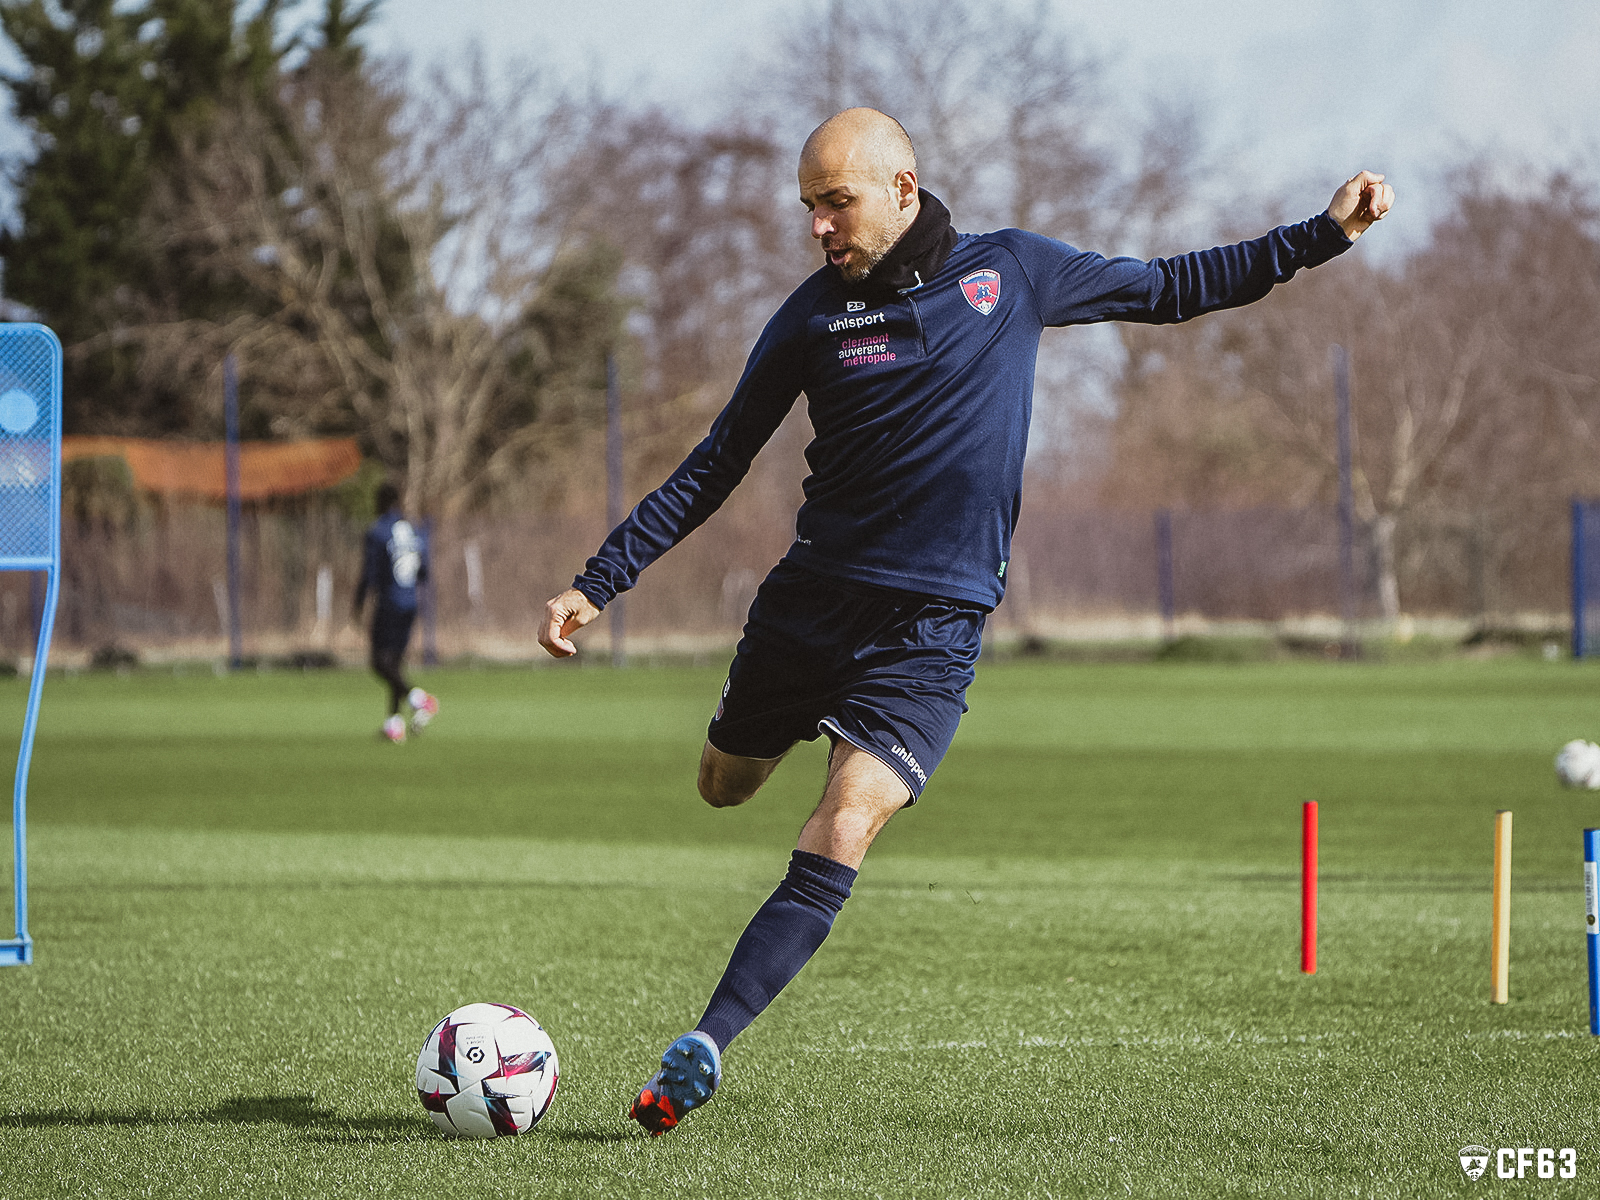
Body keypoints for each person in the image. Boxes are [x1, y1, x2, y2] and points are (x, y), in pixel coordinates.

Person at [538, 107, 1393, 1135]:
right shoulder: (811, 317)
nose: (818, 226)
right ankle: (763, 751)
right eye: (807, 207)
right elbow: (719, 459)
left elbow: (1171, 288)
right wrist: (602, 578)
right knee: (724, 787)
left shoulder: (1013, 273)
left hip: (932, 631)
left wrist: (1320, 236)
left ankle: (706, 1043)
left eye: (835, 202)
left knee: (844, 822)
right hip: (810, 607)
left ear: (903, 187)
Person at [354, 481, 438, 742]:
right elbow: (424, 571)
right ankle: (394, 724)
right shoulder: (413, 530)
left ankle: (419, 700)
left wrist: (357, 602)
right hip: (410, 603)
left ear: (380, 503)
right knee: (395, 664)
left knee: (379, 663)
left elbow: (369, 573)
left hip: (389, 603)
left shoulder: (378, 531)